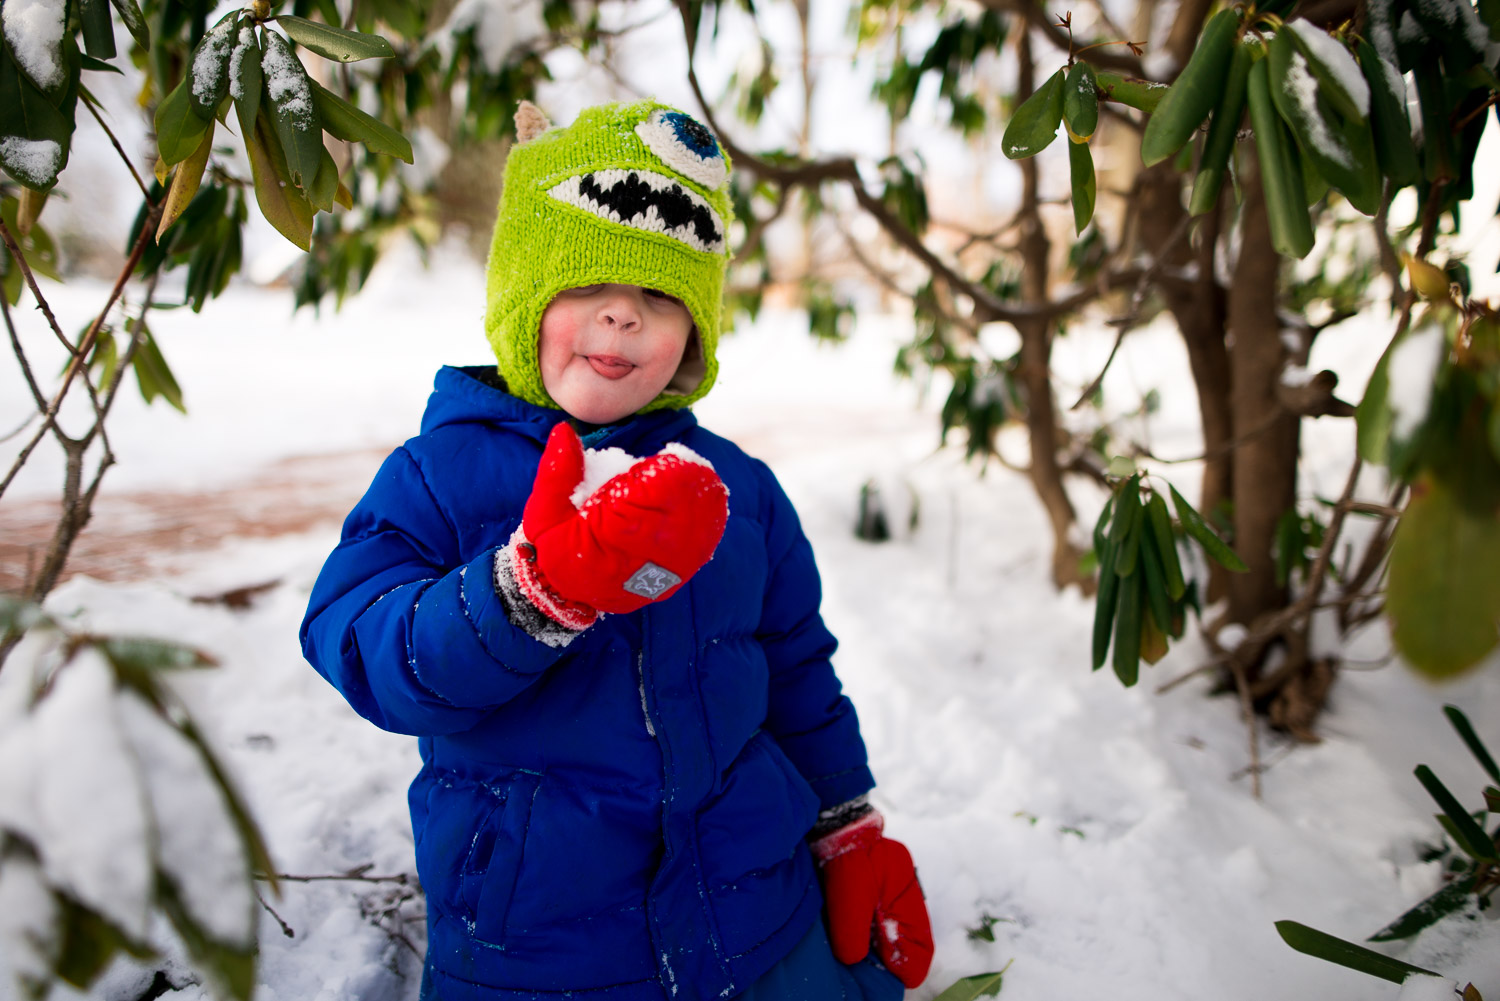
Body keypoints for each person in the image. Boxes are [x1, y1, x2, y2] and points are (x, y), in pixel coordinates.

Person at [300, 98, 933, 1001]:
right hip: (540, 933)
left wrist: (845, 817)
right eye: (588, 287)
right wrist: (524, 593)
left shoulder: (738, 490)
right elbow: (361, 643)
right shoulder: (442, 476)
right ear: (524, 291)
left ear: (693, 334)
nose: (622, 319)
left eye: (658, 297)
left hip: (751, 902)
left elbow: (795, 665)